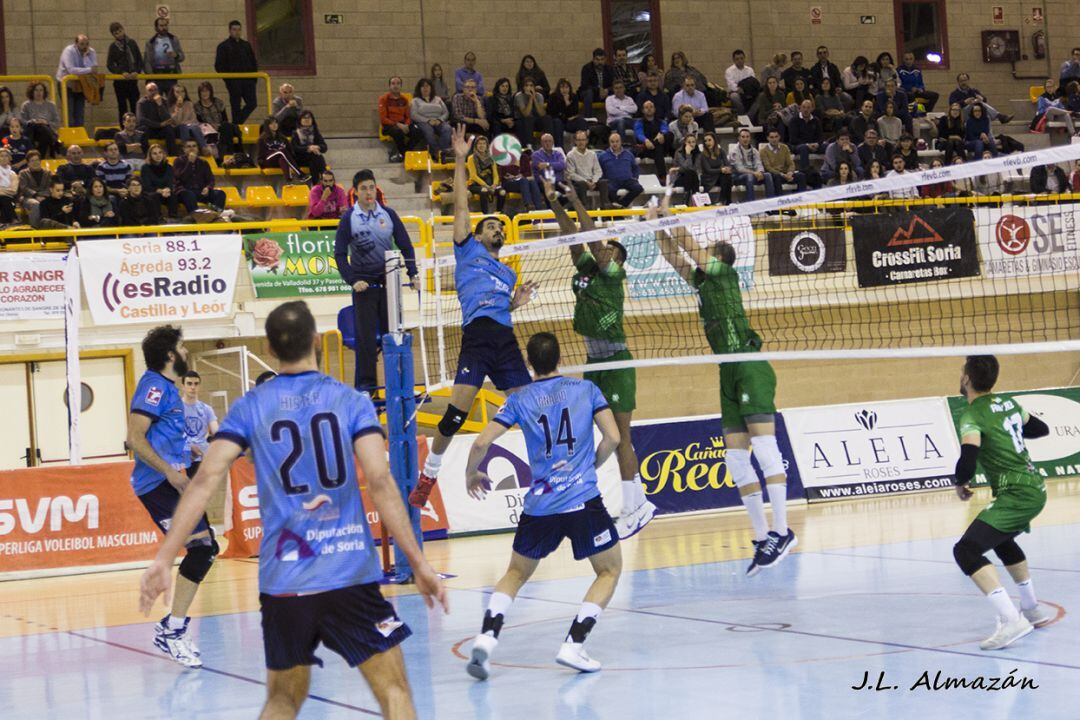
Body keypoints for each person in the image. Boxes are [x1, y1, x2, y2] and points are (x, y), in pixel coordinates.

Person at [139, 302, 447, 718]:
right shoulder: (349, 401)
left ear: (268, 348)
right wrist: (419, 563)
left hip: (285, 582)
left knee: (283, 700)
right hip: (349, 576)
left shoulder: (250, 406)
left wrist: (163, 557)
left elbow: (205, 480)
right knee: (394, 691)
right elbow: (380, 481)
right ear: (317, 342)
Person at [464, 332, 622, 680]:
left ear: (529, 363)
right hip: (583, 500)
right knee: (609, 570)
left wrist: (471, 474)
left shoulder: (520, 400)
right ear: (559, 357)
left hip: (540, 506)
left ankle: (486, 640)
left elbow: (480, 442)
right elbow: (614, 438)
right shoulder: (587, 390)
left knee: (516, 574)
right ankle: (573, 645)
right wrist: (591, 466)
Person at [653, 192, 795, 575]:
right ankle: (763, 534)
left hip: (748, 365)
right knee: (736, 459)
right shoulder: (704, 283)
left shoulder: (724, 272)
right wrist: (655, 226)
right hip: (726, 371)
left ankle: (783, 531)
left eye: (710, 252)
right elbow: (672, 255)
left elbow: (688, 244)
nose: (705, 255)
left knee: (765, 450)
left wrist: (669, 215)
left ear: (719, 259)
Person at [408, 126, 537, 509]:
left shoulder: (509, 272)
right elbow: (462, 207)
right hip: (477, 340)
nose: (497, 229)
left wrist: (517, 302)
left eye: (499, 226)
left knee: (529, 408)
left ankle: (546, 474)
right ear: (478, 236)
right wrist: (461, 160)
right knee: (454, 417)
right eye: (491, 226)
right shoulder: (467, 251)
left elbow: (503, 307)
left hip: (506, 339)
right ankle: (428, 477)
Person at [548, 180, 656, 537]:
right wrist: (555, 203)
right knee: (594, 434)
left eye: (610, 250)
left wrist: (577, 198)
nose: (604, 252)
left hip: (617, 362)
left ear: (617, 261)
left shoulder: (613, 274)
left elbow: (592, 238)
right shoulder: (586, 269)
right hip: (593, 364)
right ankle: (624, 500)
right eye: (604, 250)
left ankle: (633, 506)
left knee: (622, 436)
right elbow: (572, 238)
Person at [951, 355, 1054, 651]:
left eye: (962, 372)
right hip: (1034, 487)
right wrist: (1006, 432)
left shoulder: (971, 415)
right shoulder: (1008, 404)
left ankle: (1012, 620)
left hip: (1017, 493)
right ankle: (1032, 609)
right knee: (1002, 539)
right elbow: (1039, 429)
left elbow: (968, 459)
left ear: (967, 379)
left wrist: (960, 482)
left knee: (965, 550)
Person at [125, 326, 211, 668]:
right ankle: (172, 631)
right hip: (157, 485)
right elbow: (135, 437)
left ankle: (172, 627)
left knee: (206, 550)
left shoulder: (167, 389)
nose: (187, 351)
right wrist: (170, 472)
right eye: (183, 347)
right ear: (171, 355)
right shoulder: (153, 387)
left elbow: (159, 437)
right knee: (202, 550)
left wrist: (187, 456)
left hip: (172, 481)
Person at [333, 169, 419, 393]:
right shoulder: (348, 219)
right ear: (356, 192)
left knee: (394, 337)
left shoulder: (388, 214)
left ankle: (397, 386)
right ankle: (366, 390)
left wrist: (413, 273)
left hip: (390, 285)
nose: (369, 192)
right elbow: (340, 255)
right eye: (364, 188)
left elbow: (406, 245)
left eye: (371, 187)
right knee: (366, 342)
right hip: (364, 288)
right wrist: (352, 280)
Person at [214, 20, 259, 125]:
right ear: (230, 31)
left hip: (248, 81)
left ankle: (236, 124)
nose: (237, 32)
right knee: (235, 106)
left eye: (239, 30)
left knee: (252, 103)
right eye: (234, 30)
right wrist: (228, 80)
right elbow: (218, 65)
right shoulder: (223, 46)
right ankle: (236, 128)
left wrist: (253, 80)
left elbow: (253, 62)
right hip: (233, 81)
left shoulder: (246, 45)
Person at [180, 371, 218, 479]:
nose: (193, 387)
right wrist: (188, 446)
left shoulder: (206, 409)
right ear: (183, 386)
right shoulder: (175, 409)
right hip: (182, 457)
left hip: (202, 458)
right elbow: (171, 433)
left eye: (196, 384)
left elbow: (216, 431)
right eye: (189, 383)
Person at [56, 34, 98, 128]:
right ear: (76, 44)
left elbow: (95, 69)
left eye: (87, 44)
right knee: (69, 113)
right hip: (66, 84)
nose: (85, 47)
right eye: (82, 44)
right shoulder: (69, 51)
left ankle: (79, 137)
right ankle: (70, 137)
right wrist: (89, 70)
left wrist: (86, 57)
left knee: (79, 114)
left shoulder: (91, 52)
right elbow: (71, 70)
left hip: (81, 84)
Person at [174, 140, 226, 213]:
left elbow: (211, 179)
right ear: (184, 149)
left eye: (194, 146)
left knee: (220, 193)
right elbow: (180, 178)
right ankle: (196, 216)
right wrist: (190, 163)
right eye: (188, 146)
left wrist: (208, 187)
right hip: (184, 192)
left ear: (198, 149)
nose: (192, 148)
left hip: (200, 192)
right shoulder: (178, 161)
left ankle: (215, 214)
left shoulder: (203, 162)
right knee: (189, 194)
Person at [107, 22, 143, 125]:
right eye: (116, 33)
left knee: (135, 105)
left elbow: (139, 59)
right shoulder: (113, 47)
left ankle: (136, 127)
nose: (119, 34)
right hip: (120, 81)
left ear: (123, 29)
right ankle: (123, 128)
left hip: (132, 80)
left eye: (120, 31)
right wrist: (121, 72)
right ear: (113, 35)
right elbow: (110, 64)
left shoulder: (132, 43)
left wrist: (137, 71)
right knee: (122, 106)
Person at [194, 82, 242, 157]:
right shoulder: (197, 106)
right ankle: (219, 156)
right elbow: (199, 121)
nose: (204, 93)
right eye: (202, 91)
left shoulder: (218, 102)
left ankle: (227, 154)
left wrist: (218, 125)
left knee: (226, 126)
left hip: (220, 127)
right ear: (199, 93)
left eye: (207, 91)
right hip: (206, 129)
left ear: (211, 92)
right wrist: (211, 126)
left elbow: (225, 119)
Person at [379, 76, 419, 163]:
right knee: (398, 132)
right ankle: (406, 155)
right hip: (389, 125)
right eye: (393, 83)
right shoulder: (383, 99)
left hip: (403, 124)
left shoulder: (404, 100)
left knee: (418, 131)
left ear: (401, 86)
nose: (395, 86)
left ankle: (404, 153)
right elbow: (383, 119)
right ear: (389, 86)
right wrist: (398, 124)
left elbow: (408, 116)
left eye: (398, 83)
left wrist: (407, 125)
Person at [598, 131, 642, 207]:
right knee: (609, 190)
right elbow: (598, 170)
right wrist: (603, 179)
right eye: (612, 142)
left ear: (621, 142)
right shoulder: (603, 156)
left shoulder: (628, 154)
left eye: (617, 141)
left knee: (638, 188)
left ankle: (621, 204)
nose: (615, 144)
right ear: (609, 143)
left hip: (628, 180)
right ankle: (617, 209)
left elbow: (635, 168)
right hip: (611, 181)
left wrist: (635, 177)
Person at [565, 129, 607, 209]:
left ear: (587, 141)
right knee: (581, 184)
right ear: (575, 141)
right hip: (579, 183)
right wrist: (586, 182)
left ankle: (605, 210)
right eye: (579, 140)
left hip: (592, 181)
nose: (581, 142)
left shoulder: (592, 154)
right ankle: (586, 208)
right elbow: (571, 174)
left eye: (583, 140)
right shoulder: (570, 155)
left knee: (604, 183)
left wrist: (594, 181)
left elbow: (598, 171)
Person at [411, 78, 452, 161]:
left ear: (431, 88)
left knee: (447, 129)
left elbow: (446, 112)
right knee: (429, 132)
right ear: (419, 89)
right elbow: (413, 115)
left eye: (427, 86)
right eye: (422, 86)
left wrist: (439, 120)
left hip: (438, 120)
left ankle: (442, 152)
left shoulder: (438, 99)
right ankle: (436, 153)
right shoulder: (415, 100)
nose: (425, 88)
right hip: (423, 121)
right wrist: (427, 120)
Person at [729, 128, 774, 200]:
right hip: (738, 177)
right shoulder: (734, 151)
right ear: (739, 138)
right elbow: (739, 169)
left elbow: (759, 164)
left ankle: (771, 204)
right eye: (743, 137)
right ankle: (751, 205)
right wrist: (754, 173)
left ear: (750, 138)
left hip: (754, 174)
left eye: (747, 137)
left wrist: (760, 172)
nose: (745, 139)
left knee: (767, 175)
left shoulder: (754, 150)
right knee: (749, 176)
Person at [144, 16, 184, 97]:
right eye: (161, 26)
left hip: (171, 76)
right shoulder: (150, 42)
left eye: (165, 25)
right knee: (157, 103)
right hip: (157, 77)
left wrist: (176, 55)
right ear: (156, 27)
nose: (164, 28)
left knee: (172, 102)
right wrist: (152, 78)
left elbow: (182, 57)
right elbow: (147, 61)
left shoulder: (173, 39)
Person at [20, 82, 62, 159]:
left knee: (43, 128)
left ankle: (39, 157)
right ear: (32, 92)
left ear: (44, 92)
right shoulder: (26, 105)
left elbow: (57, 122)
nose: (39, 92)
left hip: (47, 130)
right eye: (36, 90)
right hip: (32, 131)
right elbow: (22, 121)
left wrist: (46, 122)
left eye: (41, 90)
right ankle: (53, 145)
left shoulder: (51, 105)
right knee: (38, 126)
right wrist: (31, 121)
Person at [465, 135, 506, 214]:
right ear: (476, 145)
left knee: (502, 192)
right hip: (475, 184)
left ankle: (499, 213)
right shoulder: (471, 158)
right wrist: (486, 185)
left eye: (484, 144)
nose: (482, 146)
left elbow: (495, 174)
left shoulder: (491, 158)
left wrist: (494, 184)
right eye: (479, 144)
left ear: (487, 146)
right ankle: (485, 214)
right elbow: (473, 176)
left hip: (490, 183)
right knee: (484, 191)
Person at [136, 82, 178, 156]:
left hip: (160, 130)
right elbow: (141, 120)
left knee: (169, 128)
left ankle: (173, 155)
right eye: (150, 90)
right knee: (142, 130)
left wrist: (160, 105)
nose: (153, 92)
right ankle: (146, 156)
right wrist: (159, 124)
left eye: (155, 90)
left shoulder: (163, 101)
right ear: (146, 92)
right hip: (149, 129)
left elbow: (167, 119)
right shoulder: (142, 103)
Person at [761, 128, 807, 194]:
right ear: (767, 138)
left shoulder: (784, 147)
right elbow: (768, 168)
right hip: (775, 175)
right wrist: (782, 175)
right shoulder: (763, 151)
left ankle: (800, 199)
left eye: (776, 137)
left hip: (786, 174)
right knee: (776, 177)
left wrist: (790, 172)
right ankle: (780, 200)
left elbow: (791, 163)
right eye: (772, 137)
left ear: (779, 137)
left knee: (801, 176)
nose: (774, 139)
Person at [548, 78, 588, 150]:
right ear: (558, 88)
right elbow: (552, 112)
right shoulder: (553, 97)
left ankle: (583, 144)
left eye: (567, 87)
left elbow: (575, 113)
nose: (564, 89)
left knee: (581, 121)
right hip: (558, 122)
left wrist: (567, 103)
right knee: (557, 122)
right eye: (562, 87)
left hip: (569, 122)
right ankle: (560, 149)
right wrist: (565, 113)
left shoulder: (574, 96)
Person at [633, 100, 669, 179]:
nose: (649, 109)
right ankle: (663, 177)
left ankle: (663, 176)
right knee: (658, 148)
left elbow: (665, 129)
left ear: (655, 109)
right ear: (642, 110)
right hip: (646, 148)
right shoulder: (639, 122)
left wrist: (661, 134)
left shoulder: (661, 121)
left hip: (659, 147)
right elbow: (639, 134)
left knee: (668, 136)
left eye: (651, 107)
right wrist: (646, 140)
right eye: (646, 107)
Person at [141, 143, 179, 218]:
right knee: (154, 196)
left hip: (165, 193)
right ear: (150, 156)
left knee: (173, 196)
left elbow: (170, 183)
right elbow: (147, 186)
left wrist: (167, 189)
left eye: (160, 152)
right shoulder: (145, 168)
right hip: (151, 193)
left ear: (163, 154)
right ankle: (158, 219)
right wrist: (160, 191)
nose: (158, 155)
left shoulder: (169, 167)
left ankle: (174, 218)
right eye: (154, 153)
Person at [696, 132, 733, 204]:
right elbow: (708, 170)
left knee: (727, 176)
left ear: (714, 141)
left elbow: (727, 164)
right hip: (708, 178)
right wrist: (721, 170)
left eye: (709, 140)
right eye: (705, 141)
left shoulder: (721, 151)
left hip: (719, 177)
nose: (707, 142)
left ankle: (724, 201)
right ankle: (726, 201)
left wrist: (728, 169)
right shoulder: (702, 154)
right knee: (725, 177)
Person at [513, 76, 551, 148]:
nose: (529, 88)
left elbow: (542, 114)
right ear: (523, 87)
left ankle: (550, 143)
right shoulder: (519, 96)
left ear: (534, 87)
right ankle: (529, 145)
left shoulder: (539, 96)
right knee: (528, 119)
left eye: (531, 85)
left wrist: (534, 99)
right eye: (526, 85)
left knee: (547, 118)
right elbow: (526, 114)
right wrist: (530, 99)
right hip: (522, 120)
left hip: (536, 120)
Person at [291, 110, 328, 181]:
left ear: (312, 120)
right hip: (300, 158)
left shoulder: (316, 132)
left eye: (309, 118)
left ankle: (316, 184)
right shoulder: (295, 133)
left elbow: (325, 147)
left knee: (314, 159)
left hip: (312, 158)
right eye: (304, 118)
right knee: (317, 156)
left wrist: (317, 147)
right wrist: (308, 148)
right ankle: (325, 179)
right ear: (300, 120)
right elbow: (295, 148)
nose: (307, 119)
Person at [17, 151, 51, 226]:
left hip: (44, 196)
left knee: (51, 202)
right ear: (28, 163)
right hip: (27, 198)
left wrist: (43, 196)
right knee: (35, 204)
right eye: (32, 160)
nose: (35, 162)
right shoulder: (23, 173)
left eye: (37, 160)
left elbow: (50, 187)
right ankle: (35, 229)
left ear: (40, 161)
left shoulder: (48, 173)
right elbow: (24, 188)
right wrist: (36, 195)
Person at [170, 85, 207, 152]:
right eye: (177, 92)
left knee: (195, 127)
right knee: (183, 127)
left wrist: (186, 123)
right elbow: (176, 122)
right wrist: (179, 107)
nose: (180, 94)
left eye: (182, 91)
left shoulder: (189, 104)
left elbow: (194, 119)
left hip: (189, 127)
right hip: (177, 129)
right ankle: (186, 150)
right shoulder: (170, 105)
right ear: (173, 93)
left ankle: (204, 148)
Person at [724, 49, 756, 114]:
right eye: (737, 59)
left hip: (748, 92)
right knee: (734, 97)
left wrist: (746, 90)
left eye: (741, 58)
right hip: (735, 92)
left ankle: (750, 116)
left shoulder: (750, 70)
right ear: (734, 60)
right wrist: (740, 89)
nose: (740, 60)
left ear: (744, 58)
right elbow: (731, 85)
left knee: (760, 96)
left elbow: (753, 83)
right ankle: (743, 115)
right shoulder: (729, 71)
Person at [670, 134, 700, 202]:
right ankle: (695, 199)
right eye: (689, 142)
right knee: (690, 173)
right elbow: (685, 168)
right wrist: (688, 154)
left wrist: (678, 168)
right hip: (679, 178)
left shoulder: (698, 153)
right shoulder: (679, 152)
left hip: (692, 177)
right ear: (685, 143)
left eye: (693, 142)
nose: (691, 144)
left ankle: (687, 199)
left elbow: (694, 168)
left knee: (691, 173)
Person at [0, 148, 18, 224]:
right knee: (4, 200)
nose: (4, 158)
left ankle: (3, 224)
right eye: (1, 156)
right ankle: (13, 220)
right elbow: (10, 190)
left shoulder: (13, 174)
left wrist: (1, 190)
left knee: (4, 200)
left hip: (9, 198)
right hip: (7, 199)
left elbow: (13, 191)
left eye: (6, 156)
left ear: (10, 158)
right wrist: (6, 190)